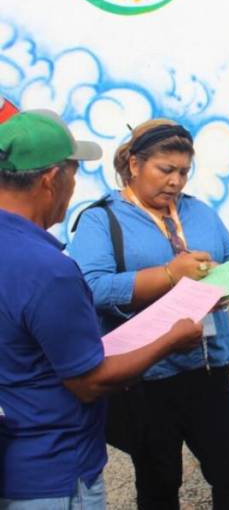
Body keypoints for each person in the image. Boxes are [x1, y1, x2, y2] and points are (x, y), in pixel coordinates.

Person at [0, 110, 202, 508]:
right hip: (55, 476)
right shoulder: (48, 270)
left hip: (14, 460)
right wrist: (170, 339)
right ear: (52, 179)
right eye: (73, 175)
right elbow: (88, 382)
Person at [68, 119, 229, 510]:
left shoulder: (200, 212)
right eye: (165, 170)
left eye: (184, 172)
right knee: (159, 481)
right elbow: (91, 287)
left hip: (208, 367)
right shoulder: (103, 219)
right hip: (146, 374)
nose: (176, 182)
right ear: (134, 165)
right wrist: (170, 275)